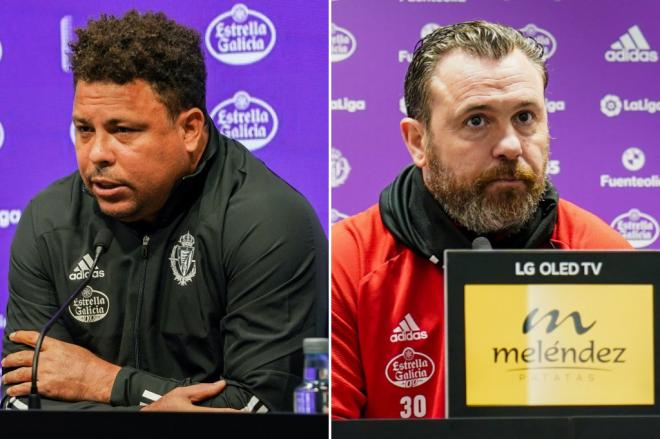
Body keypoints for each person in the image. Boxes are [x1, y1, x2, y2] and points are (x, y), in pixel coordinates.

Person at [1, 10, 327, 412]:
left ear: (189, 130)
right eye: (84, 129)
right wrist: (150, 414)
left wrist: (109, 382)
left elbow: (261, 407)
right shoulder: (48, 221)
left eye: (123, 131)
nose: (97, 154)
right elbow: (23, 398)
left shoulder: (268, 222)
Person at [331, 20, 632, 419]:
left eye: (525, 117)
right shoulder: (348, 263)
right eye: (477, 120)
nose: (509, 145)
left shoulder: (602, 256)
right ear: (418, 142)